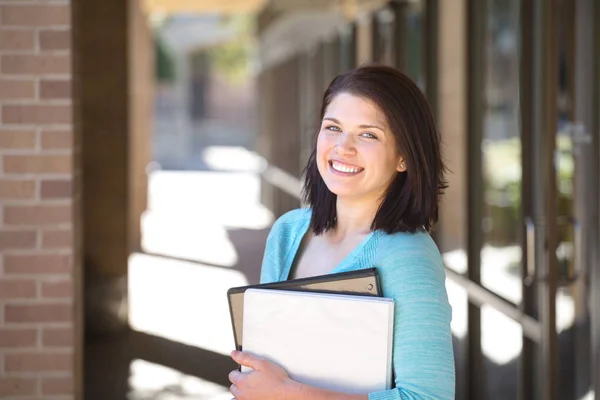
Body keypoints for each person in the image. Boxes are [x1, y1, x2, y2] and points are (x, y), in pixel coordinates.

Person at [228, 64, 455, 400]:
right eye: (333, 127)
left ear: (403, 156)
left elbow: (428, 397)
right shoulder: (288, 232)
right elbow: (265, 364)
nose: (343, 147)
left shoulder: (408, 256)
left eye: (368, 134)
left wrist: (291, 394)